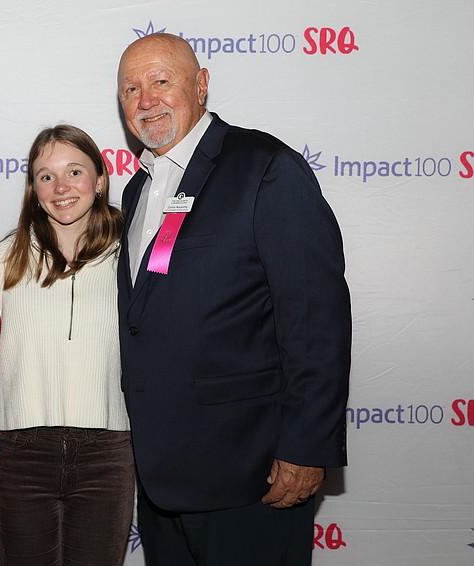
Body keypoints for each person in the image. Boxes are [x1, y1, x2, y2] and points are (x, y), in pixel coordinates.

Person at [115, 33, 351, 565]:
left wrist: (305, 448)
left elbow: (314, 318)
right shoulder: (135, 191)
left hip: (251, 474)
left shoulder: (264, 167)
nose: (145, 100)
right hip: (161, 481)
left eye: (160, 81)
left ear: (201, 86)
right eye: (130, 88)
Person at [0, 125, 135, 566]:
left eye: (74, 171)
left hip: (107, 452)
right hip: (17, 453)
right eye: (46, 176)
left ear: (101, 180)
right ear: (32, 187)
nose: (61, 187)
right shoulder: (1, 260)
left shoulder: (133, 256)